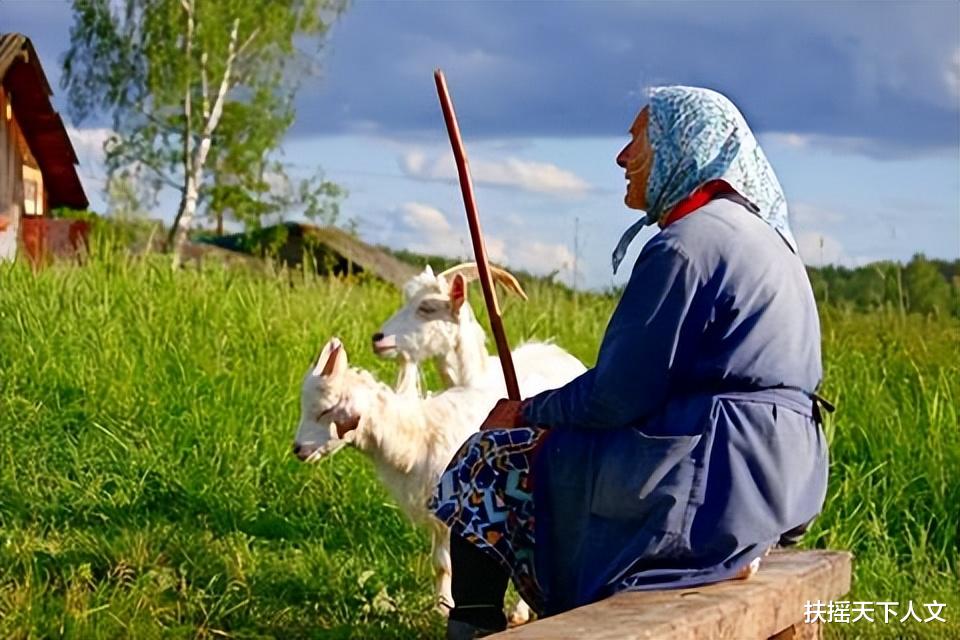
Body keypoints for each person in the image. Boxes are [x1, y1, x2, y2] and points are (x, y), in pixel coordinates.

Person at [429, 86, 831, 639]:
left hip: (715, 483)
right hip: (783, 478)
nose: (623, 158)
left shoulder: (687, 246)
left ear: (681, 146)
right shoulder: (768, 242)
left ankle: (477, 629)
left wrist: (525, 412)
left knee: (485, 463)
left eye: (637, 139)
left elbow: (617, 395)